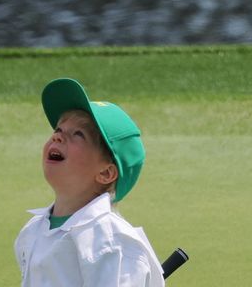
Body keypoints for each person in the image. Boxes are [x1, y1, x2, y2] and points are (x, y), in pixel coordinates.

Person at [14, 78, 164, 286]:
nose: (58, 137)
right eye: (58, 130)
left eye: (78, 134)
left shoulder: (109, 240)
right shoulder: (34, 229)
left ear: (106, 173)